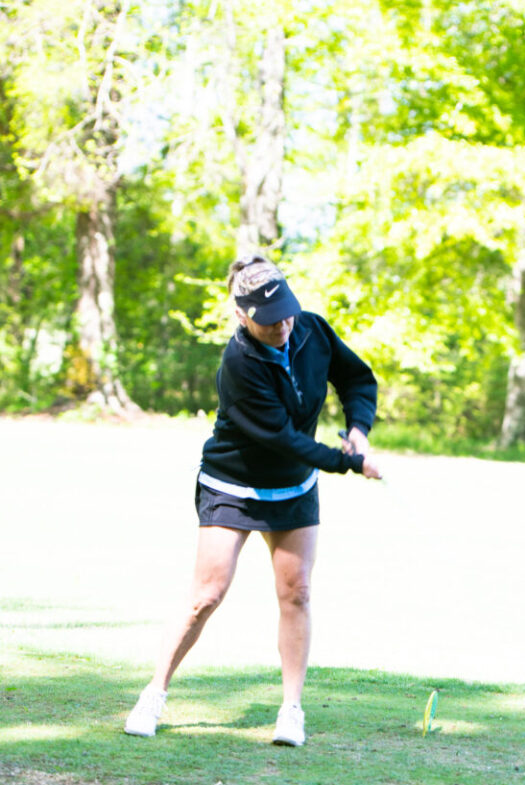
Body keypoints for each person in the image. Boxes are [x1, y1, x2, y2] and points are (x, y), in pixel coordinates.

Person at [125, 253, 382, 746]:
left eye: (287, 313)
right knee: (206, 594)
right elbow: (283, 438)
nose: (283, 325)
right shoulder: (238, 363)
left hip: (295, 485)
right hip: (233, 484)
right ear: (242, 315)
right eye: (270, 320)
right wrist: (349, 462)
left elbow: (356, 378)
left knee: (297, 591)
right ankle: (154, 693)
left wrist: (359, 429)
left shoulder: (311, 329)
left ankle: (291, 710)